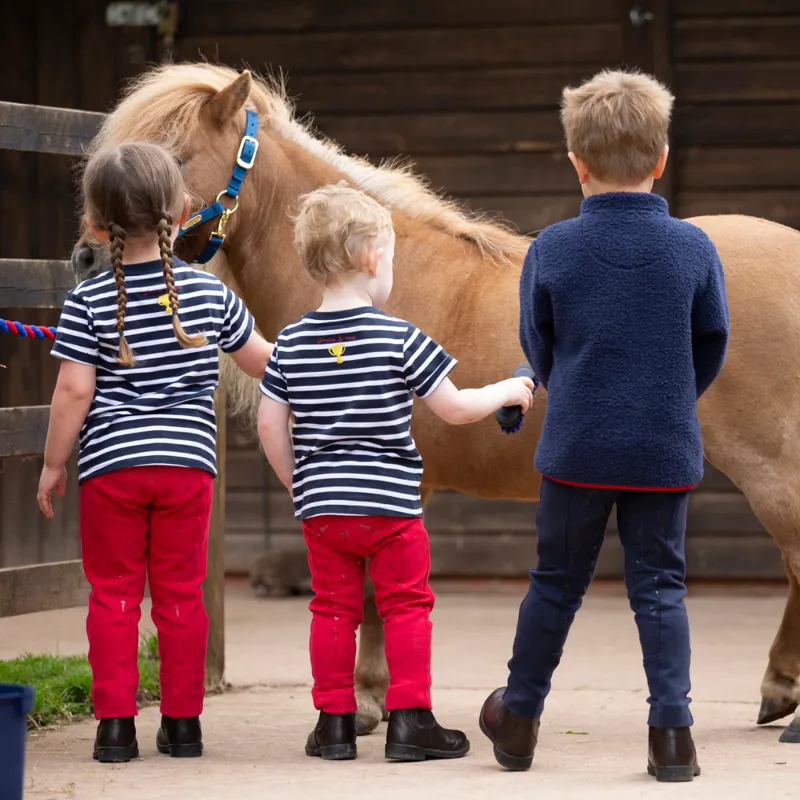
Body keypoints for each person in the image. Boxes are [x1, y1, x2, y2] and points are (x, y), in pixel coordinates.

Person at [479, 70, 729, 782]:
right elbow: (711, 342)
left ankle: (518, 720)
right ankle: (673, 738)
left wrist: (573, 390)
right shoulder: (693, 249)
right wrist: (668, 399)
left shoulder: (552, 248)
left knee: (555, 583)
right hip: (663, 447)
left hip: (577, 448)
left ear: (576, 162)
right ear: (662, 158)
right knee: (661, 589)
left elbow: (539, 344)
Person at [257, 184, 535, 762]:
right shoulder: (399, 337)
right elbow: (455, 409)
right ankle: (411, 722)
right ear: (372, 259)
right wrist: (508, 389)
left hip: (323, 512)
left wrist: (297, 483)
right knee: (406, 607)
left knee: (332, 611)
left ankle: (333, 725)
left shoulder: (289, 345)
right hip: (391, 511)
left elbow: (269, 424)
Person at [36, 141, 273, 763]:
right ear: (183, 211)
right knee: (181, 596)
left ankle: (115, 729)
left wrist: (54, 463)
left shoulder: (87, 301)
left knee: (113, 596)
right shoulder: (208, 294)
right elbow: (263, 361)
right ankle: (183, 724)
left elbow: (72, 391)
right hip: (186, 471)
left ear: (96, 224)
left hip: (112, 471)